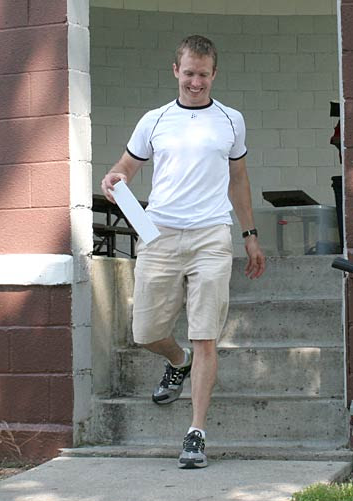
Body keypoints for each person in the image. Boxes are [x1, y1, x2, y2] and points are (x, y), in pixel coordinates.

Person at [101, 34, 265, 469]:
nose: (196, 82)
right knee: (145, 332)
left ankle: (196, 432)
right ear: (176, 70)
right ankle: (178, 360)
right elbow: (127, 165)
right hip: (160, 235)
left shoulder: (231, 120)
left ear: (215, 74)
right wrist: (115, 177)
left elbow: (239, 179)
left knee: (205, 332)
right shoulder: (154, 120)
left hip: (212, 235)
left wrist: (249, 233)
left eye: (204, 75)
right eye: (189, 73)